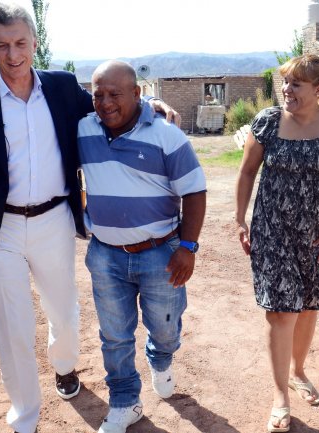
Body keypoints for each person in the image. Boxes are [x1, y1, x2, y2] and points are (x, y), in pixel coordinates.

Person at [0, 4, 178, 433]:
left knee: (63, 313)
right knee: (12, 326)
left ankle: (64, 366)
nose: (13, 55)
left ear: (34, 43)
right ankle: (24, 416)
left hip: (54, 220)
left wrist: (150, 104)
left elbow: (107, 109)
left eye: (20, 43)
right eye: (2, 45)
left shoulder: (62, 87)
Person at [77, 60, 206, 433]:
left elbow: (195, 191)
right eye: (98, 95)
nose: (105, 103)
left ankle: (160, 357)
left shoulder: (167, 135)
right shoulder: (83, 129)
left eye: (115, 94)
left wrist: (188, 247)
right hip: (105, 255)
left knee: (165, 330)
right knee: (114, 336)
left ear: (137, 93)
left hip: (161, 254)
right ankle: (124, 402)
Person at [234, 54, 319, 432]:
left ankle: (298, 372)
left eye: (296, 84)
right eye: (285, 82)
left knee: (307, 305)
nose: (287, 90)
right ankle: (280, 396)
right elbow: (247, 172)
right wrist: (240, 219)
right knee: (280, 311)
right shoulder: (267, 122)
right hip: (273, 232)